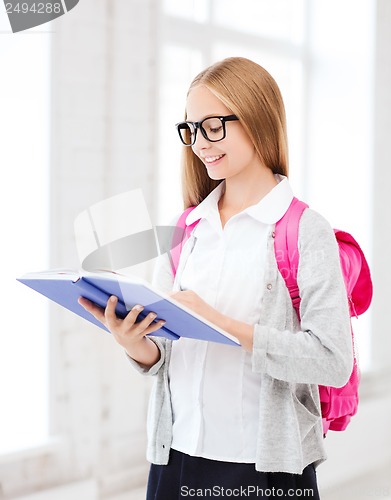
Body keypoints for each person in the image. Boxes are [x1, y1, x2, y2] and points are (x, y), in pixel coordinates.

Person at [79, 57, 353, 499]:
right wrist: (137, 345)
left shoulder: (303, 229)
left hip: (262, 469)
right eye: (190, 129)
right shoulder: (186, 229)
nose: (200, 143)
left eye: (213, 125)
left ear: (257, 118)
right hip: (176, 458)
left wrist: (221, 323)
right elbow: (166, 356)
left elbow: (333, 361)